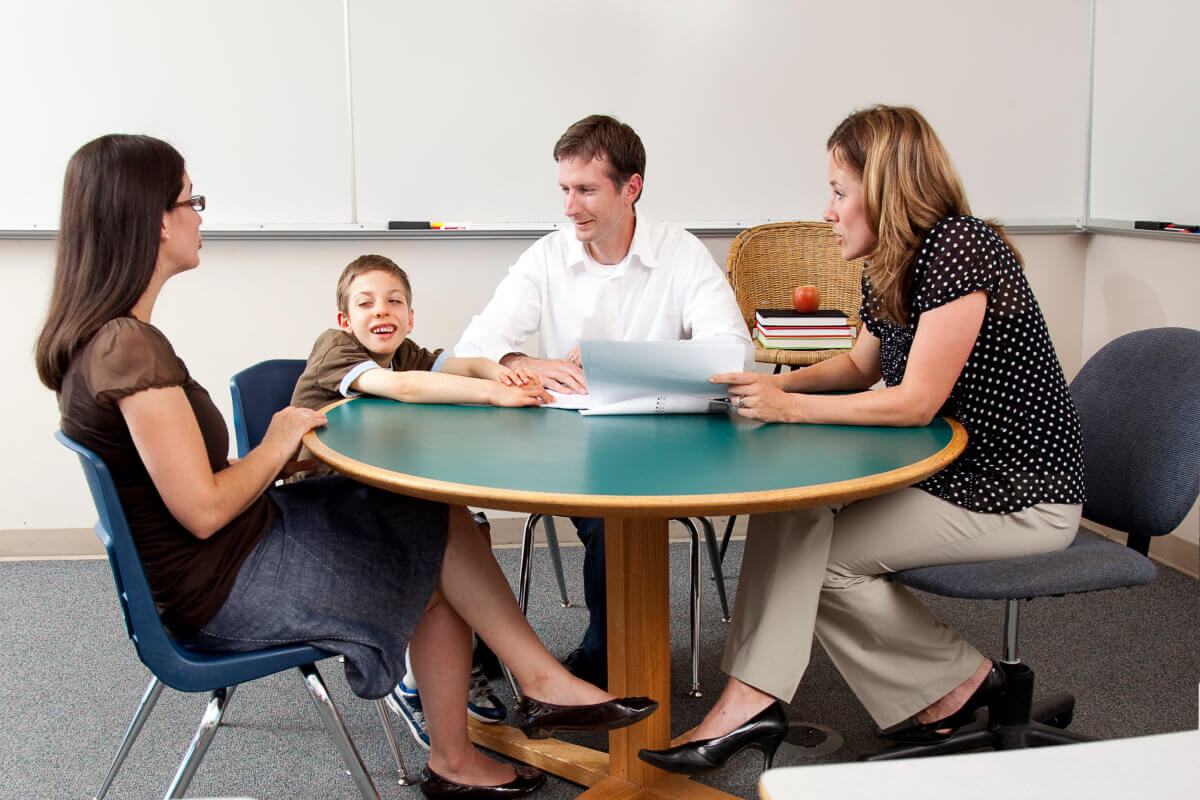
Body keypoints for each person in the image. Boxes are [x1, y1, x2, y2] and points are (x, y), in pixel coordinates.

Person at [36, 134, 657, 800]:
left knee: (426, 516)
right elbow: (205, 507)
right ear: (155, 219)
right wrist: (277, 442)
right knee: (428, 541)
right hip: (219, 587)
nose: (199, 216)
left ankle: (503, 712)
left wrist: (502, 369)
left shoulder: (110, 340)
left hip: (223, 555)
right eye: (193, 201)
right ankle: (516, 700)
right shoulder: (129, 350)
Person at [638, 105, 1085, 775]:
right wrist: (767, 386)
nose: (827, 210)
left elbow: (915, 402)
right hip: (951, 475)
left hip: (1017, 491)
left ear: (884, 187)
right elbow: (858, 367)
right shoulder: (891, 262)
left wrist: (787, 408)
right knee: (796, 510)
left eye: (840, 191)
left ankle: (776, 702)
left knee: (822, 562)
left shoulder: (962, 247)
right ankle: (957, 686)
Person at [454, 114, 753, 686]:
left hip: (669, 444)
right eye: (564, 190)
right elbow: (475, 346)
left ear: (631, 188)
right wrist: (519, 362)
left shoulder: (681, 254)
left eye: (586, 190)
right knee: (604, 514)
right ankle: (611, 661)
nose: (570, 207)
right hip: (573, 450)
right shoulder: (546, 256)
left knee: (617, 514)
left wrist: (619, 362)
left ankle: (605, 667)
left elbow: (735, 357)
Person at [290, 253, 552, 746]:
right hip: (322, 508)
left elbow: (464, 363)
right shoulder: (336, 351)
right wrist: (493, 396)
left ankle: (452, 665)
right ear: (345, 321)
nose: (381, 311)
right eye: (365, 303)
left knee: (469, 527)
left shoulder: (405, 349)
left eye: (394, 301)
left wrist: (499, 374)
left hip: (379, 493)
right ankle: (417, 682)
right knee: (439, 541)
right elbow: (404, 388)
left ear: (410, 316)